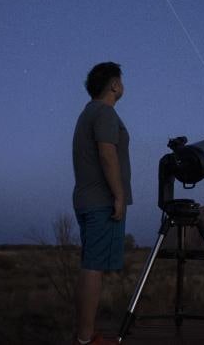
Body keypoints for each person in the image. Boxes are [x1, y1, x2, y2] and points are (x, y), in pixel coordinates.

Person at [72, 62, 131, 345]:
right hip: (100, 202)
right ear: (113, 85)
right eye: (120, 79)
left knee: (90, 265)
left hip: (87, 199)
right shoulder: (105, 112)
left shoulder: (88, 112)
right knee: (93, 267)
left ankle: (86, 333)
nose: (122, 84)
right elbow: (107, 154)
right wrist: (119, 195)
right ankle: (85, 338)